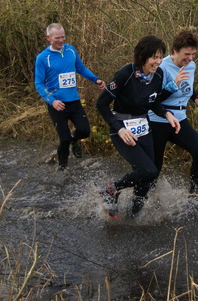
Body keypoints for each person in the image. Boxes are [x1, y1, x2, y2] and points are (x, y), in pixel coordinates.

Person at [96, 35, 181, 217]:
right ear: (143, 56)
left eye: (160, 57)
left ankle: (133, 217)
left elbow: (154, 102)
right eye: (154, 57)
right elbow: (101, 104)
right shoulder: (126, 74)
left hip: (143, 127)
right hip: (122, 129)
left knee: (148, 178)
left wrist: (167, 114)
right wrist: (119, 128)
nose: (158, 62)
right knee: (147, 170)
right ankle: (111, 190)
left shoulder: (158, 75)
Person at [149, 30, 198, 194]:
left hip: (179, 119)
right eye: (187, 54)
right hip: (158, 120)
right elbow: (153, 99)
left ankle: (193, 196)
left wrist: (197, 98)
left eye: (193, 54)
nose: (190, 58)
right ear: (175, 51)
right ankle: (140, 202)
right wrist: (174, 84)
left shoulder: (191, 65)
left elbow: (188, 86)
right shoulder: (161, 68)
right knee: (154, 168)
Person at [34, 23, 105, 170]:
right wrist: (52, 101)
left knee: (85, 131)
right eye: (57, 38)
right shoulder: (42, 58)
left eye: (63, 37)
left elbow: (80, 68)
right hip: (57, 104)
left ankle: (75, 140)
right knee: (64, 139)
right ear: (48, 38)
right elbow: (39, 84)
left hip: (74, 101)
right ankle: (63, 168)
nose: (61, 40)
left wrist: (95, 79)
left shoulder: (71, 50)